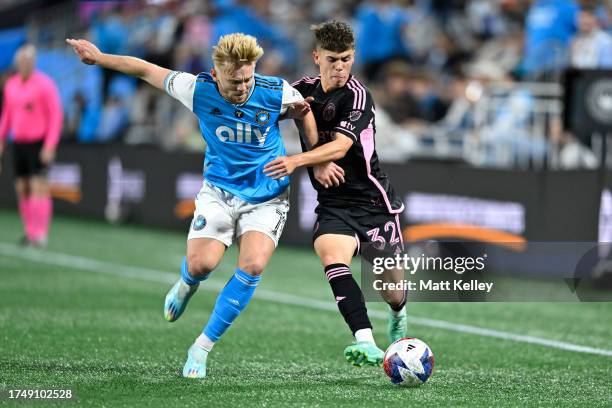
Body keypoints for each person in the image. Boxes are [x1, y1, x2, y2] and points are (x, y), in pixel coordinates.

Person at [67, 33, 336, 379]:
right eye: (233, 80)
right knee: (201, 265)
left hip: (267, 194)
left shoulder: (277, 91)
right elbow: (146, 69)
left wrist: (314, 158)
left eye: (246, 79)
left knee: (253, 266)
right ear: (216, 71)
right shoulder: (197, 88)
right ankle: (185, 285)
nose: (241, 87)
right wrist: (100, 58)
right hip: (219, 190)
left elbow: (304, 114)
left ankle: (202, 346)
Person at [264, 20, 407, 367]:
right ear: (316, 57)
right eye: (332, 59)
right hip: (334, 203)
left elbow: (341, 146)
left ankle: (399, 315)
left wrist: (300, 160)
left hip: (374, 203)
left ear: (353, 57)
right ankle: (365, 340)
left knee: (392, 291)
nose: (340, 66)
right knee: (333, 258)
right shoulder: (302, 90)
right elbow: (263, 109)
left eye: (345, 59)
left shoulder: (359, 96)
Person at [0, 44, 63, 248]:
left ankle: (41, 233)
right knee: (22, 188)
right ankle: (29, 232)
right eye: (20, 62)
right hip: (18, 143)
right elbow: (7, 116)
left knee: (39, 188)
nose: (24, 64)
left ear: (33, 62)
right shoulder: (11, 85)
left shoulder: (45, 85)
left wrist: (50, 144)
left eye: (27, 61)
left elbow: (56, 115)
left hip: (39, 143)